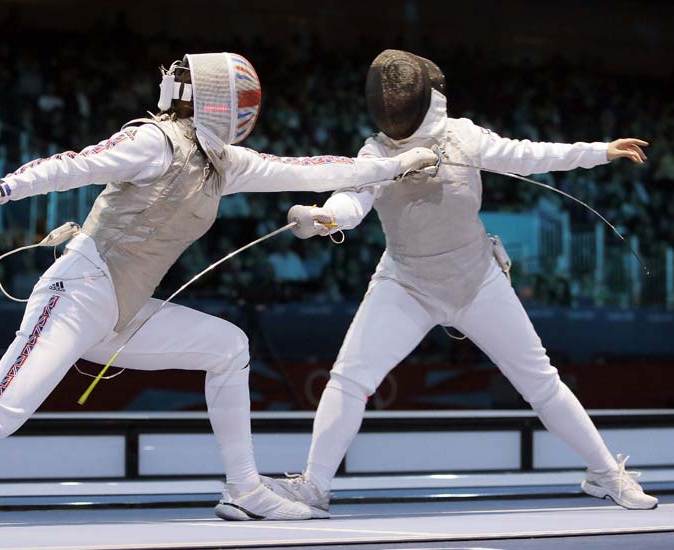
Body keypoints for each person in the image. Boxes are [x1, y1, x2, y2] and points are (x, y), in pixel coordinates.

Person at [0, 52, 438, 529]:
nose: (250, 109)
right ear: (219, 100)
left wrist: (397, 164)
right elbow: (75, 163)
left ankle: (244, 489)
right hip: (79, 292)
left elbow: (316, 169)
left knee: (229, 347)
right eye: (241, 97)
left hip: (122, 313)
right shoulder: (152, 141)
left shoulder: (226, 164)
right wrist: (1, 190)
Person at [274, 49, 656, 516]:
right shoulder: (376, 152)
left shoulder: (465, 138)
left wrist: (598, 151)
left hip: (477, 280)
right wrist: (325, 217)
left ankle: (605, 474)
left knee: (541, 381)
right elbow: (353, 199)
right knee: (348, 379)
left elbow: (530, 155)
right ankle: (314, 487)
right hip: (405, 283)